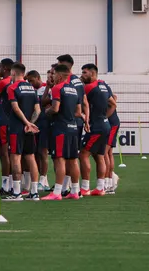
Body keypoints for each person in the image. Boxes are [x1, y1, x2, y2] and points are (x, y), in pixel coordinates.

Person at [42, 64, 81, 200]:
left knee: (59, 160)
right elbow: (78, 112)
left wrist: (47, 111)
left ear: (59, 76)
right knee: (73, 160)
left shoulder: (57, 88)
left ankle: (57, 192)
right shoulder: (74, 89)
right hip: (73, 127)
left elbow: (55, 108)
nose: (52, 76)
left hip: (60, 128)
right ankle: (75, 191)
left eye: (53, 74)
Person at [5, 62, 40, 201]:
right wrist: (31, 124)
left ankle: (17, 192)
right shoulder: (31, 88)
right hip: (29, 128)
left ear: (13, 73)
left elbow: (15, 108)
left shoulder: (12, 87)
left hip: (16, 127)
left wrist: (25, 123)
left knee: (15, 158)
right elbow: (38, 110)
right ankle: (35, 192)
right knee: (31, 157)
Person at [57, 54, 89, 194]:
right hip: (77, 121)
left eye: (59, 63)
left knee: (63, 157)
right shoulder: (78, 81)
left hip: (67, 120)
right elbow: (84, 102)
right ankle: (74, 188)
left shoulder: (67, 82)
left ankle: (64, 187)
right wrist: (86, 119)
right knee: (72, 156)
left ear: (66, 64)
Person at [80, 63, 110, 196]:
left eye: (85, 72)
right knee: (100, 156)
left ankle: (85, 188)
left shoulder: (89, 87)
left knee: (83, 154)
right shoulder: (103, 85)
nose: (82, 75)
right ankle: (100, 188)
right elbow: (113, 103)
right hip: (105, 124)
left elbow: (82, 102)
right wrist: (104, 117)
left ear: (92, 73)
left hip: (96, 127)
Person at [0, 58, 15, 195]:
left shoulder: (3, 83)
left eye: (0, 67)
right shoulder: (14, 82)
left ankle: (6, 184)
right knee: (9, 152)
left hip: (2, 120)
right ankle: (11, 183)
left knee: (3, 153)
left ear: (5, 68)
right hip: (11, 121)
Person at [28, 70, 51, 191]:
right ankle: (38, 180)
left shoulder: (46, 88)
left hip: (44, 123)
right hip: (33, 123)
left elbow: (46, 104)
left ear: (38, 78)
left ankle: (43, 179)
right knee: (35, 152)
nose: (30, 83)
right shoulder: (30, 89)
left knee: (43, 152)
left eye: (32, 80)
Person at [104, 78, 120, 194]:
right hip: (112, 122)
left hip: (111, 123)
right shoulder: (106, 89)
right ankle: (110, 180)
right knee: (108, 153)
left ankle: (109, 183)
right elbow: (114, 97)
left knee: (105, 152)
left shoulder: (102, 90)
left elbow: (113, 102)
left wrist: (105, 118)